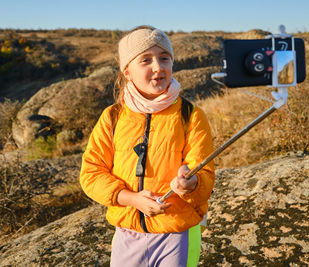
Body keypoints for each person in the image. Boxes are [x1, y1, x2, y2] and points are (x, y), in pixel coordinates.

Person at [79, 25, 215, 267]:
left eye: (164, 58)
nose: (158, 67)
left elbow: (205, 176)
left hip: (177, 230)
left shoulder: (190, 114)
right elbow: (91, 174)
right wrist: (131, 199)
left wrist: (191, 184)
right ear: (127, 72)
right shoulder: (112, 117)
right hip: (127, 232)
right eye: (145, 60)